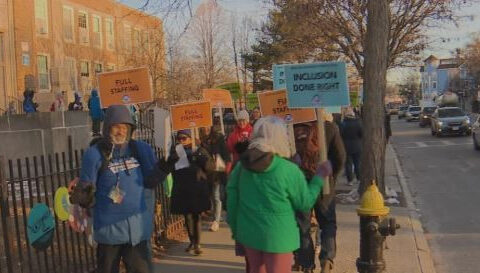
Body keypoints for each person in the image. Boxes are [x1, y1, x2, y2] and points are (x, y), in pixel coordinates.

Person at [227, 116, 331, 273]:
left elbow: (232, 201)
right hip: (279, 235)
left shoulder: (241, 167)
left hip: (249, 233)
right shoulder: (288, 169)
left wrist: (236, 230)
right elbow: (304, 202)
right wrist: (319, 177)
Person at [72, 105, 167, 273]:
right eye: (116, 127)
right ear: (107, 128)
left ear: (130, 129)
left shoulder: (141, 149)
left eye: (124, 127)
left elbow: (151, 181)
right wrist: (83, 195)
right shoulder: (95, 154)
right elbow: (87, 188)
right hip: (109, 232)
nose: (120, 131)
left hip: (137, 231)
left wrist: (166, 166)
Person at [293, 114, 346, 273]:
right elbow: (340, 156)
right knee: (328, 223)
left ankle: (306, 263)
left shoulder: (292, 127)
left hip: (300, 183)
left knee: (303, 224)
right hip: (323, 181)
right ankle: (327, 259)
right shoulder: (329, 127)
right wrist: (332, 176)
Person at [166, 130, 212, 255]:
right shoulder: (176, 151)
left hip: (197, 188)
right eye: (179, 138)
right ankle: (192, 241)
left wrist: (199, 158)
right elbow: (169, 166)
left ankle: (197, 243)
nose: (181, 141)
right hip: (183, 188)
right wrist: (173, 158)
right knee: (187, 216)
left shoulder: (199, 150)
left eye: (184, 138)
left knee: (196, 215)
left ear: (190, 138)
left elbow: (209, 167)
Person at [199, 126, 231, 232]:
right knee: (212, 197)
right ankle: (216, 215)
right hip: (207, 173)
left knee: (217, 196)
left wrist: (226, 168)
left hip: (217, 173)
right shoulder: (203, 141)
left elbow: (226, 156)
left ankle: (216, 221)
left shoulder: (219, 141)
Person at [341, 108, 362, 187]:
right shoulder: (358, 123)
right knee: (357, 163)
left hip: (346, 146)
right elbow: (361, 134)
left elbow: (341, 134)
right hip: (357, 146)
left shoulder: (343, 124)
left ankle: (350, 180)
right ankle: (359, 178)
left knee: (348, 164)